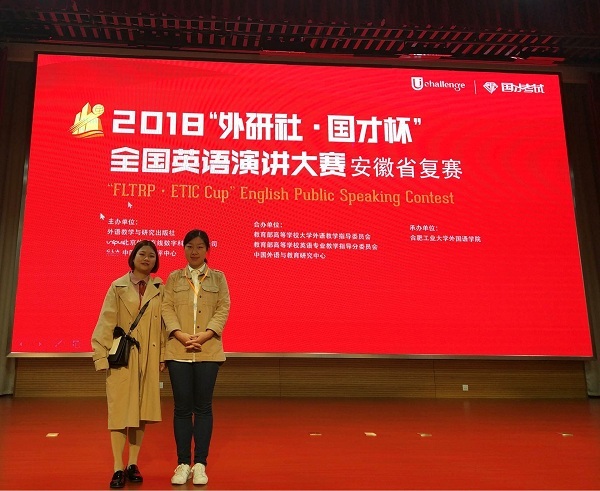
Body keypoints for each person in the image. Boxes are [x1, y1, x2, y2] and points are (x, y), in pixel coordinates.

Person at [91, 240, 165, 489]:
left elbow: (163, 326)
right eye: (142, 254)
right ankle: (117, 467)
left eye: (151, 255)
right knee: (119, 412)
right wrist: (100, 355)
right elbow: (106, 321)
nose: (146, 258)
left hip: (148, 357)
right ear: (132, 257)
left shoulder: (160, 288)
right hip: (122, 357)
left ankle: (133, 463)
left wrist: (162, 356)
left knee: (141, 412)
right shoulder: (117, 286)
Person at [162, 229, 231, 485]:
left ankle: (200, 464)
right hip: (178, 350)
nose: (194, 251)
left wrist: (205, 335)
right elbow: (166, 308)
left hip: (207, 350)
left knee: (203, 408)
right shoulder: (173, 278)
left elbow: (223, 307)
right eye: (190, 246)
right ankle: (182, 464)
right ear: (183, 249)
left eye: (200, 246)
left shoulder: (218, 278)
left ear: (207, 250)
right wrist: (180, 335)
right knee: (182, 409)